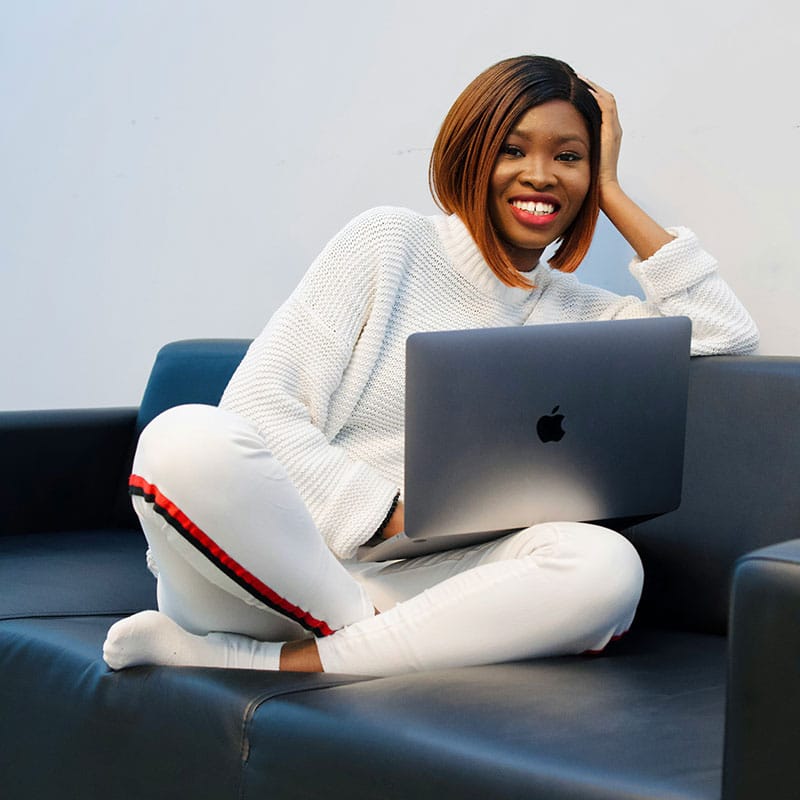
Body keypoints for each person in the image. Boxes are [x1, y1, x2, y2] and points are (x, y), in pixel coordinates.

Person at [103, 55, 758, 677]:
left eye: (569, 157)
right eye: (513, 149)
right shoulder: (389, 244)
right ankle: (366, 637)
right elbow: (259, 407)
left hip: (424, 580)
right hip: (276, 569)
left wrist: (613, 190)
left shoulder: (593, 319)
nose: (540, 174)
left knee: (608, 565)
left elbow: (726, 334)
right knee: (182, 440)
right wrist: (388, 513)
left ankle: (272, 660)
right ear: (472, 153)